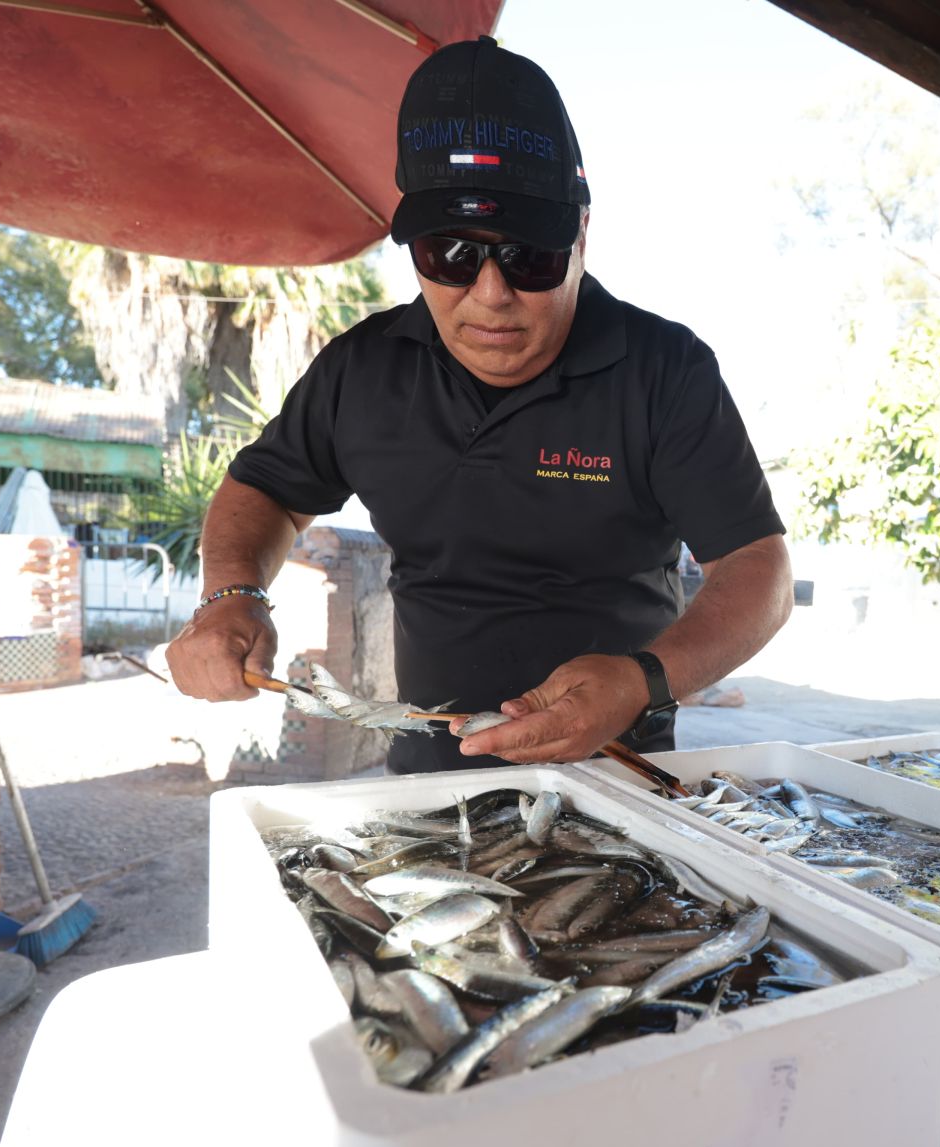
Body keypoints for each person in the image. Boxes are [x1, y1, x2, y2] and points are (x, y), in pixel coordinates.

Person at [167, 37, 792, 771]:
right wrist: (230, 594)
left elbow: (759, 569)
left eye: (529, 257)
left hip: (618, 767)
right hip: (429, 777)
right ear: (413, 249)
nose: (492, 294)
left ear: (581, 234)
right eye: (452, 255)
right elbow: (267, 488)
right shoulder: (363, 368)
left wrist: (641, 680)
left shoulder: (663, 369)